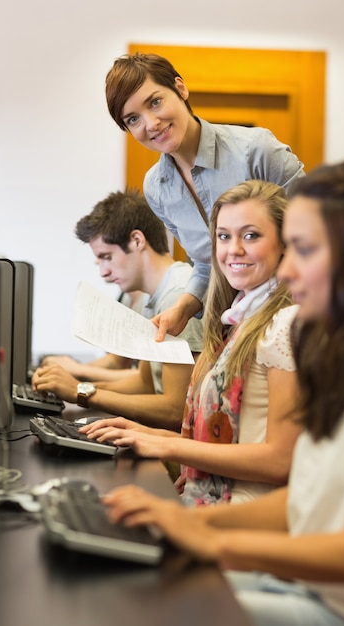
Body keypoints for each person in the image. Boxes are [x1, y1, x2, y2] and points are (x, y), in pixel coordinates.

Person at [98, 159, 344, 626]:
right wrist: (190, 523)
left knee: (155, 607)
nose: (286, 270)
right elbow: (307, 496)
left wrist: (216, 540)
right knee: (130, 587)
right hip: (308, 586)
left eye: (303, 250)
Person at [81, 180, 301, 506]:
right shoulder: (234, 321)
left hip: (241, 514)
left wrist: (167, 446)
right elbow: (218, 442)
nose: (233, 249)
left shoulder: (284, 325)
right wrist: (143, 433)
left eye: (251, 235)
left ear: (284, 242)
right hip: (209, 500)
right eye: (224, 236)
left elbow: (281, 461)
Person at [105, 52, 305, 340]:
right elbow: (205, 263)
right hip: (231, 326)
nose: (151, 123)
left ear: (180, 88)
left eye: (155, 102)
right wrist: (184, 308)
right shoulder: (157, 187)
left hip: (290, 317)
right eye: (133, 119)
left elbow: (314, 235)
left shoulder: (256, 150)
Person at [32, 189, 203, 431]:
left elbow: (176, 411)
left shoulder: (177, 295)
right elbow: (145, 383)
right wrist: (72, 387)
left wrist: (81, 391)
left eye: (106, 257)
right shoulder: (153, 297)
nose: (102, 271)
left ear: (136, 241)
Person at [40, 290, 146, 380]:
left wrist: (79, 371)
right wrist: (68, 369)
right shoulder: (127, 297)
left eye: (107, 263)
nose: (98, 265)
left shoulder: (152, 299)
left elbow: (146, 380)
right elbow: (116, 361)